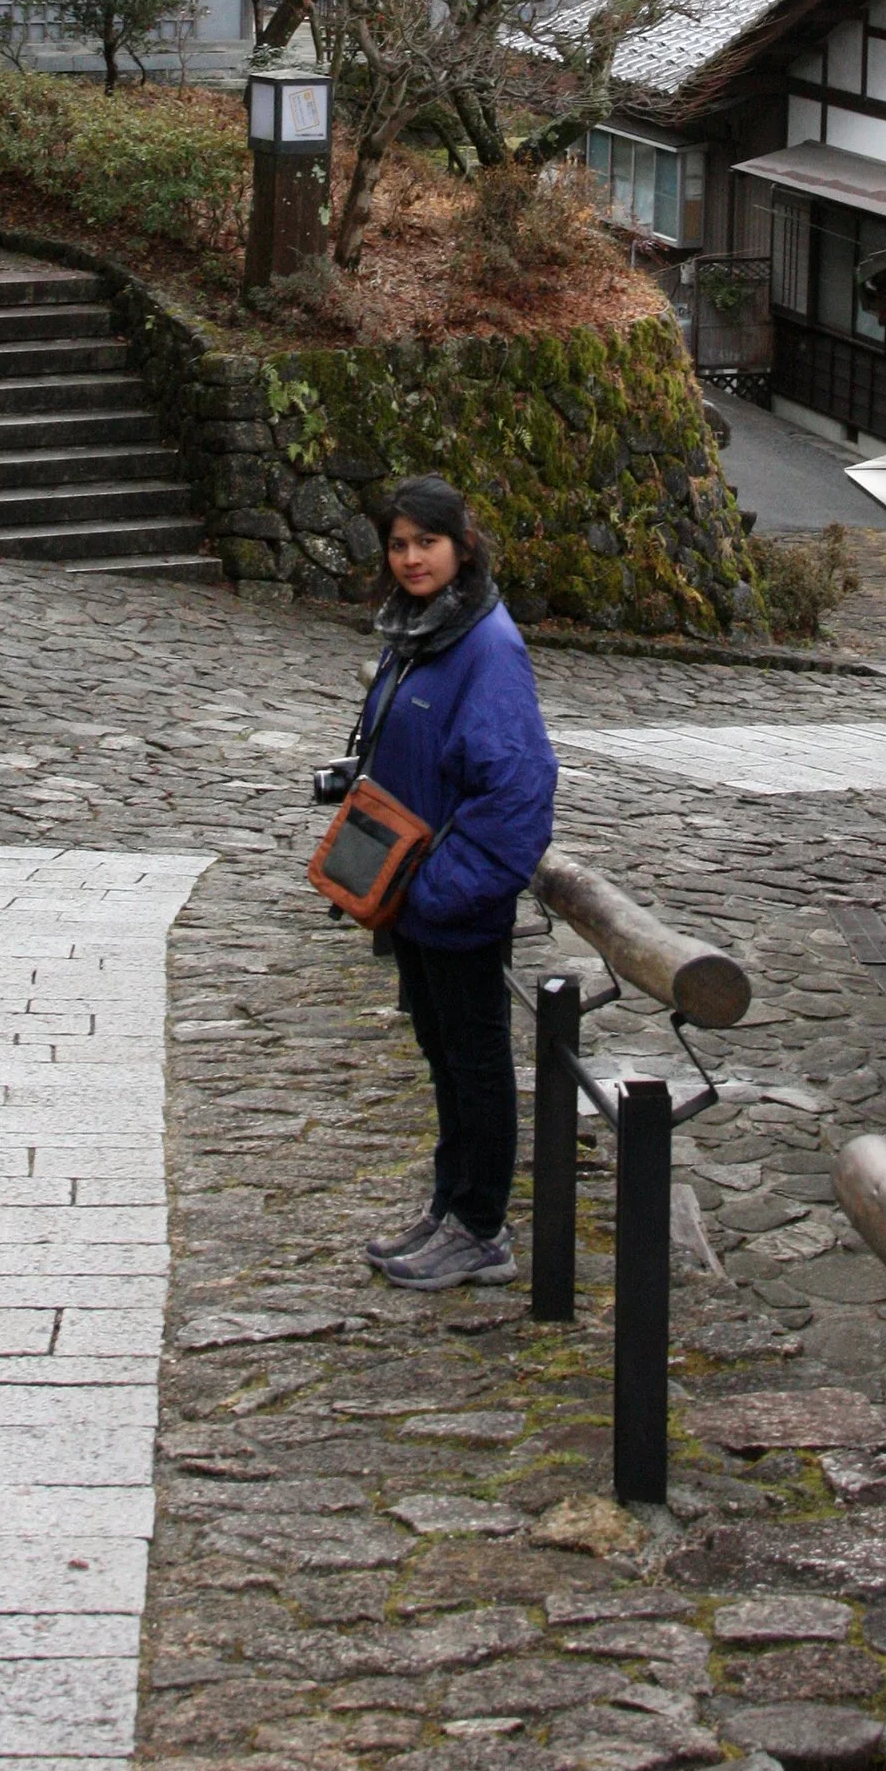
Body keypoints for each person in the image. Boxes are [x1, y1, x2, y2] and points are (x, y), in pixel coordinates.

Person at [353, 477, 558, 1292]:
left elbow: (517, 790)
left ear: (461, 545)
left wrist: (438, 888)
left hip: (451, 901)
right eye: (398, 544)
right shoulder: (421, 634)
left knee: (475, 1063)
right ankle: (450, 1206)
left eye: (425, 543)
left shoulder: (486, 648)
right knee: (443, 1057)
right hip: (413, 894)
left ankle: (481, 1227)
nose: (410, 558)